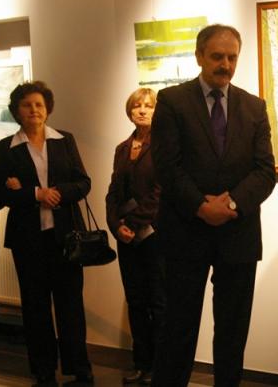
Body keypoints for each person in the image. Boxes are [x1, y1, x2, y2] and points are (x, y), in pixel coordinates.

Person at [150, 24, 276, 387]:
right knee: (178, 329)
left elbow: (265, 171)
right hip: (185, 231)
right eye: (217, 56)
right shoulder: (172, 101)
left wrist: (231, 203)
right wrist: (200, 206)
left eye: (232, 57)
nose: (225, 65)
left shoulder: (254, 106)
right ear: (199, 56)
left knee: (233, 333)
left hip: (238, 234)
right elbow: (167, 166)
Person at [0, 81, 93, 385]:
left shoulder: (64, 140)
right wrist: (35, 194)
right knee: (35, 308)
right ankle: (44, 371)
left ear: (47, 108)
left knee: (70, 306)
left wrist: (56, 192)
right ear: (16, 111)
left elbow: (83, 182)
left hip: (67, 239)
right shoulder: (6, 147)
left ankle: (80, 369)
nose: (34, 110)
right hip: (28, 242)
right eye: (26, 105)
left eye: (39, 104)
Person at [106, 88, 165, 385]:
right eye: (137, 106)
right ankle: (141, 364)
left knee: (159, 302)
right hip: (127, 238)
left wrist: (132, 221)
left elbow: (160, 193)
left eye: (148, 106)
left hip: (155, 236)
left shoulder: (164, 145)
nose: (142, 110)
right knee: (136, 301)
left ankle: (161, 368)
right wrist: (116, 225)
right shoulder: (122, 148)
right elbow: (113, 192)